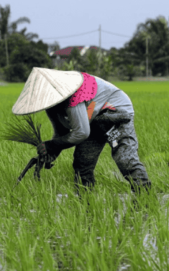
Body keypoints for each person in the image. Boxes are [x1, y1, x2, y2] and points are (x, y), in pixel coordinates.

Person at [12, 68, 151, 193]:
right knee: (82, 161)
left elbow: (81, 133)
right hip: (91, 120)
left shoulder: (74, 97)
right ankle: (85, 200)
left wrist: (51, 145)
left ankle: (145, 194)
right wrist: (52, 153)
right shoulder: (52, 107)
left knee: (124, 157)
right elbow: (62, 133)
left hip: (113, 114)